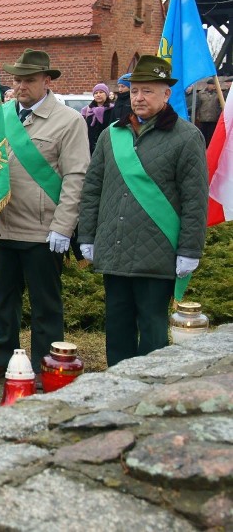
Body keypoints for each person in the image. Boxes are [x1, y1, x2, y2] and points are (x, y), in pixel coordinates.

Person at [78, 55, 208, 367]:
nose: (139, 98)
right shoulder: (112, 134)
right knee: (117, 330)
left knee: (153, 334)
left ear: (166, 94)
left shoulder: (187, 137)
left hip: (158, 254)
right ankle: (117, 393)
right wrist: (87, 234)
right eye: (135, 91)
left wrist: (189, 249)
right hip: (115, 249)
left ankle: (151, 395)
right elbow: (93, 187)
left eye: (148, 91)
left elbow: (194, 199)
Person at [0, 49, 89, 383]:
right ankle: (3, 356)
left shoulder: (69, 121)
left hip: (42, 231)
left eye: (29, 80)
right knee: (4, 301)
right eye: (17, 79)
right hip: (1, 225)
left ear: (47, 81)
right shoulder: (1, 115)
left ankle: (47, 365)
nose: (21, 86)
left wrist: (63, 226)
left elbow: (77, 177)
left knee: (45, 306)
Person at [80, 83, 115, 155]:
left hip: (106, 146)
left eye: (101, 92)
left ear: (106, 94)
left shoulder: (112, 109)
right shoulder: (87, 110)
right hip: (89, 147)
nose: (98, 95)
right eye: (96, 93)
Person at [195, 79, 222, 146]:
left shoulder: (219, 94)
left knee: (211, 135)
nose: (213, 86)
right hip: (203, 117)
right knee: (203, 133)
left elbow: (220, 105)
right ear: (208, 85)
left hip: (214, 117)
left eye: (214, 85)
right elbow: (198, 105)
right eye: (212, 84)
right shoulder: (201, 93)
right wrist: (198, 116)